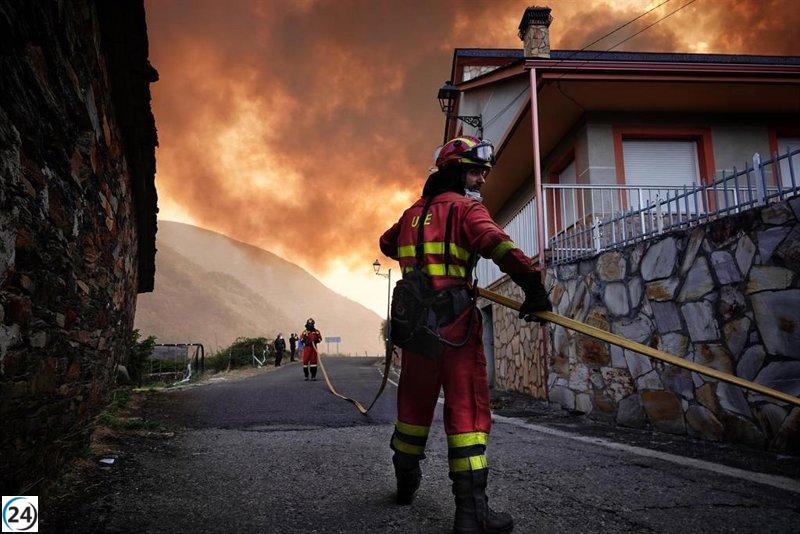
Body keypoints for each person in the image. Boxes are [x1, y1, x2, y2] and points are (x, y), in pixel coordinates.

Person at [379, 136, 551, 534]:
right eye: (475, 171)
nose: (482, 180)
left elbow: (386, 244)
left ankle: (405, 484)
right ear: (455, 172)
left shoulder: (410, 215)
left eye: (484, 173)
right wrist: (534, 290)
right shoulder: (466, 209)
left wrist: (419, 251)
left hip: (418, 328)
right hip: (455, 327)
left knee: (412, 408)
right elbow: (499, 244)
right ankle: (472, 514)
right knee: (467, 413)